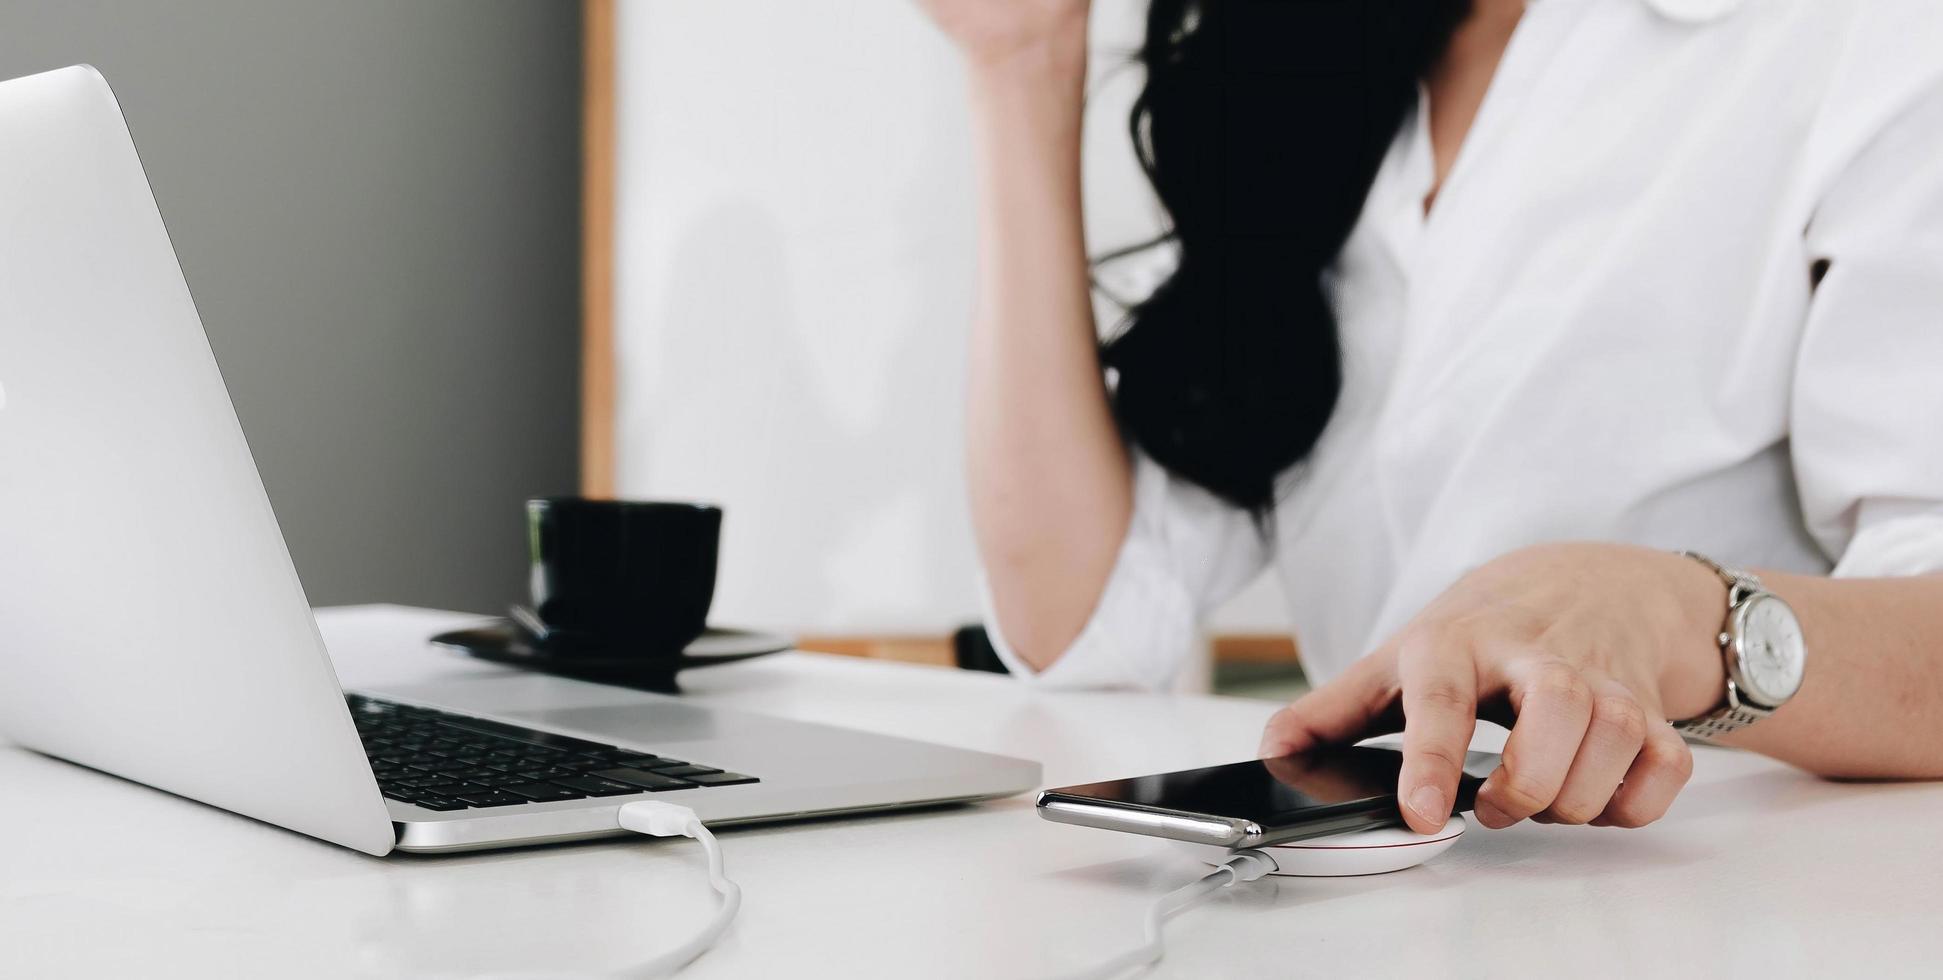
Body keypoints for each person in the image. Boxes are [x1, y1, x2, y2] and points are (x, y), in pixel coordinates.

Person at [915, 0, 1943, 836]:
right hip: (1368, 901)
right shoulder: (1294, 58)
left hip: (1727, 905)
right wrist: (1021, 62)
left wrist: (1682, 615)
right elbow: (1087, 625)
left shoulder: (1858, 35)